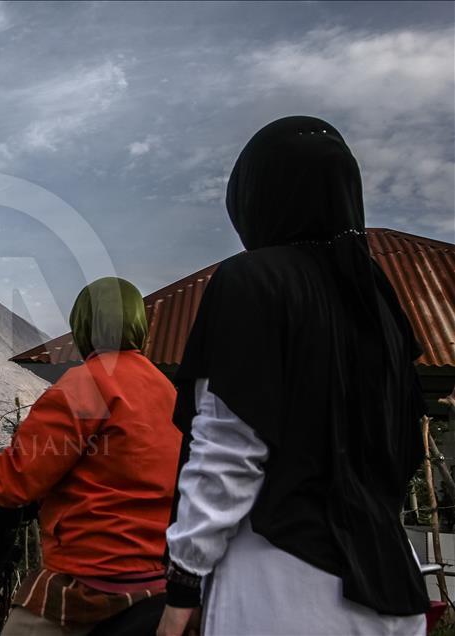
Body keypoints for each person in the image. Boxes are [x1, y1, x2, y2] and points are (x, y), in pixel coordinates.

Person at [157, 116, 430, 636]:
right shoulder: (379, 302)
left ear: (256, 195)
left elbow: (227, 449)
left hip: (285, 588)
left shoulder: (253, 281)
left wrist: (183, 585)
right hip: (395, 590)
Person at [0, 277, 181, 635]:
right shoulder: (166, 389)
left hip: (92, 575)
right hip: (158, 576)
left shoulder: (85, 384)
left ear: (84, 324)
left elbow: (20, 474)